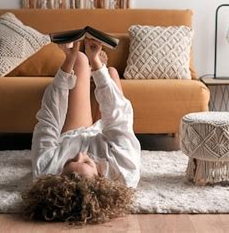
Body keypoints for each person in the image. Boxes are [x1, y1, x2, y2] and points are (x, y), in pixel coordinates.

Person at [22, 38, 141, 224]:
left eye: (70, 161)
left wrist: (68, 62)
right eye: (86, 162)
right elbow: (120, 119)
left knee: (78, 59)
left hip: (74, 132)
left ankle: (87, 67)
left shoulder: (46, 169)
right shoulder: (124, 172)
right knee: (111, 73)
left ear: (58, 176)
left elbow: (49, 118)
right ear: (101, 178)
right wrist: (96, 63)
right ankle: (99, 69)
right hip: (110, 139)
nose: (79, 155)